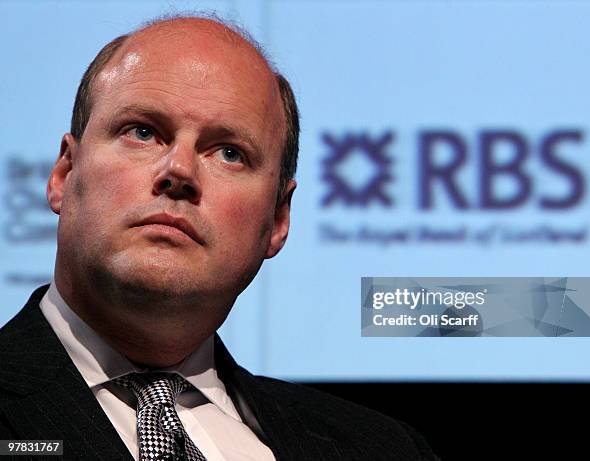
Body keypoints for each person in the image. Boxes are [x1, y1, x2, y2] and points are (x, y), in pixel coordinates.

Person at [0, 14, 438, 461]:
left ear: (278, 219)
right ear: (64, 174)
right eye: (143, 132)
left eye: (230, 153)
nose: (179, 171)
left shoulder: (384, 449)